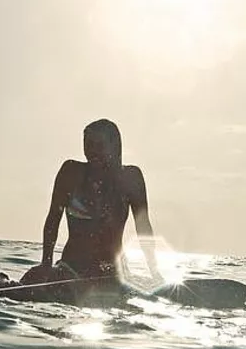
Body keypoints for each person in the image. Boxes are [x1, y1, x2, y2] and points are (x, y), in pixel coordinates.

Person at [20, 119, 159, 286]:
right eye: (88, 144)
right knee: (30, 280)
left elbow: (143, 227)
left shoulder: (130, 178)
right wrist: (46, 264)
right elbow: (53, 219)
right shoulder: (71, 173)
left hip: (112, 272)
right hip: (71, 267)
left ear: (114, 147)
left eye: (99, 145)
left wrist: (154, 271)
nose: (92, 151)